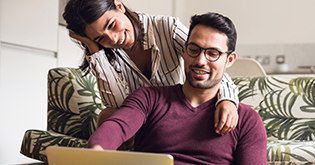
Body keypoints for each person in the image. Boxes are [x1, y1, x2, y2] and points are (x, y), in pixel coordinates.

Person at [87, 12, 267, 164]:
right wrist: (95, 152)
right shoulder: (149, 98)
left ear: (229, 60)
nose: (200, 61)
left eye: (213, 53)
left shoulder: (247, 120)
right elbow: (116, 127)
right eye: (194, 50)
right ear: (184, 49)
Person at [63, 0, 239, 141]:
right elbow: (116, 106)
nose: (114, 39)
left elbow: (207, 61)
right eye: (101, 37)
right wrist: (94, 48)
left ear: (119, 6)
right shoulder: (106, 53)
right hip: (139, 120)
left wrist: (228, 100)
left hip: (178, 113)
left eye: (111, 25)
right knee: (107, 115)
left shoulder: (167, 28)